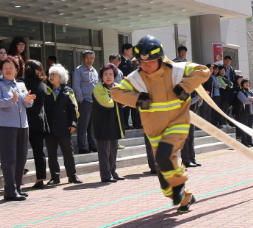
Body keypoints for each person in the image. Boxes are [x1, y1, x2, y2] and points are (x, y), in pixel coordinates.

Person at [111, 35, 210, 213]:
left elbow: (204, 71)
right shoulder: (137, 78)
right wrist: (138, 99)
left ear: (160, 58)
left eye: (150, 62)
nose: (145, 66)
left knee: (165, 156)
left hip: (177, 122)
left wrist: (186, 86)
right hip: (154, 128)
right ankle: (185, 196)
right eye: (141, 62)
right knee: (164, 171)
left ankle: (179, 185)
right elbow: (116, 93)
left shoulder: (177, 70)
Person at [0, 57, 34, 201]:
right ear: (1, 70)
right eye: (5, 68)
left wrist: (28, 101)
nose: (8, 70)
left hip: (23, 126)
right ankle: (9, 190)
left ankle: (17, 187)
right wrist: (12, 100)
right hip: (7, 126)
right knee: (9, 159)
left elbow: (26, 104)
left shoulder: (21, 84)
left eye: (11, 67)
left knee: (21, 158)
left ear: (17, 70)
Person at [43, 64, 81, 185]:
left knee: (68, 152)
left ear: (61, 77)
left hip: (64, 126)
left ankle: (72, 175)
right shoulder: (46, 90)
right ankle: (55, 177)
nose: (51, 76)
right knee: (52, 153)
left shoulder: (68, 91)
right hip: (50, 127)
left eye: (54, 74)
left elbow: (74, 108)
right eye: (50, 74)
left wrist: (73, 123)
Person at [92, 63, 124, 183]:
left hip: (115, 124)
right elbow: (108, 103)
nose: (108, 76)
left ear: (114, 76)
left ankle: (113, 172)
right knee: (104, 152)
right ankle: (106, 175)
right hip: (102, 125)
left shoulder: (116, 87)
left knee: (113, 150)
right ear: (102, 76)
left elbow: (125, 101)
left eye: (110, 74)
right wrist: (119, 98)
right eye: (105, 74)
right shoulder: (98, 88)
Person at [22, 60, 49, 189]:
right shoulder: (43, 85)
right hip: (39, 121)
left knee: (21, 151)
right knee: (39, 152)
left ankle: (17, 177)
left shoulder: (22, 82)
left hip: (24, 121)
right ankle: (40, 179)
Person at [72, 50, 98, 154]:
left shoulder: (94, 71)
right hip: (85, 102)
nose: (89, 60)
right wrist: (81, 99)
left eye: (91, 58)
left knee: (91, 126)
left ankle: (92, 145)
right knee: (83, 125)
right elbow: (76, 85)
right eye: (87, 58)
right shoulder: (79, 70)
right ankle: (82, 146)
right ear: (83, 59)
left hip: (94, 102)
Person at [236, 78, 253, 147]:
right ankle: (244, 141)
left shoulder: (250, 91)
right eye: (245, 83)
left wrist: (251, 99)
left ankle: (250, 141)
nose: (247, 84)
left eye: (248, 83)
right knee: (244, 127)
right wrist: (252, 100)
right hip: (244, 112)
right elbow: (245, 101)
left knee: (250, 127)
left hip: (251, 112)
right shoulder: (240, 92)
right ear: (242, 84)